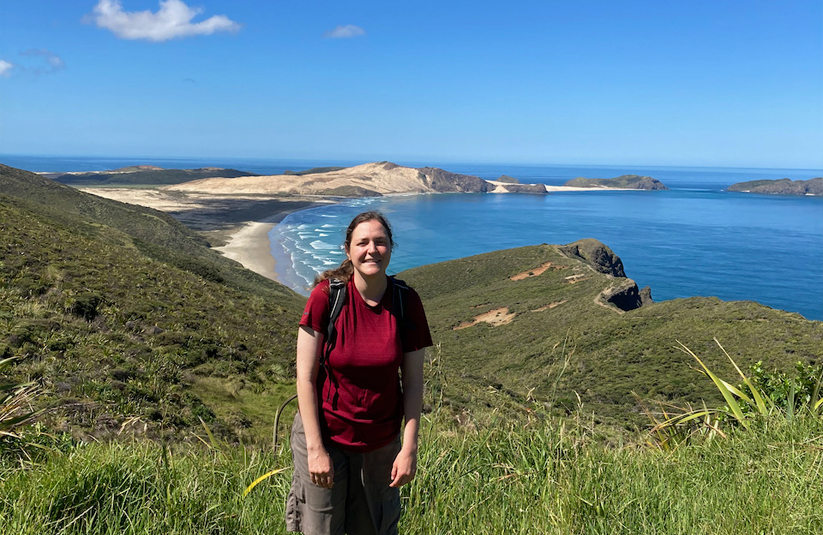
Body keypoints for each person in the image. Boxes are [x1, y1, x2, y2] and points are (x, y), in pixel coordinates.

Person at [286, 211, 433, 535]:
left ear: (391, 248)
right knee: (321, 529)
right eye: (362, 242)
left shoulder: (406, 302)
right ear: (348, 249)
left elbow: (413, 382)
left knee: (376, 528)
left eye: (380, 242)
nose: (372, 249)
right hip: (325, 435)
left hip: (381, 443)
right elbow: (305, 378)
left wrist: (408, 448)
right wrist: (315, 449)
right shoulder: (326, 297)